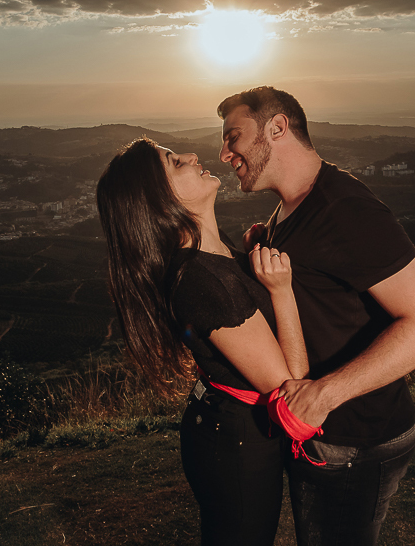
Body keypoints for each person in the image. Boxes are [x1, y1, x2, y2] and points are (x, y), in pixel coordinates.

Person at [218, 86, 415, 546]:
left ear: (278, 127)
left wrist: (324, 394)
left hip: (358, 440)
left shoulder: (346, 210)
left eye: (233, 137)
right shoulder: (290, 207)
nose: (225, 153)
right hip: (323, 435)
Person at [95, 137, 309, 546]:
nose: (193, 156)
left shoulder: (214, 250)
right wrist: (281, 291)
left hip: (229, 428)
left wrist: (250, 264)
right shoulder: (198, 281)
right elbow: (290, 386)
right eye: (176, 163)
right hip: (234, 442)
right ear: (161, 201)